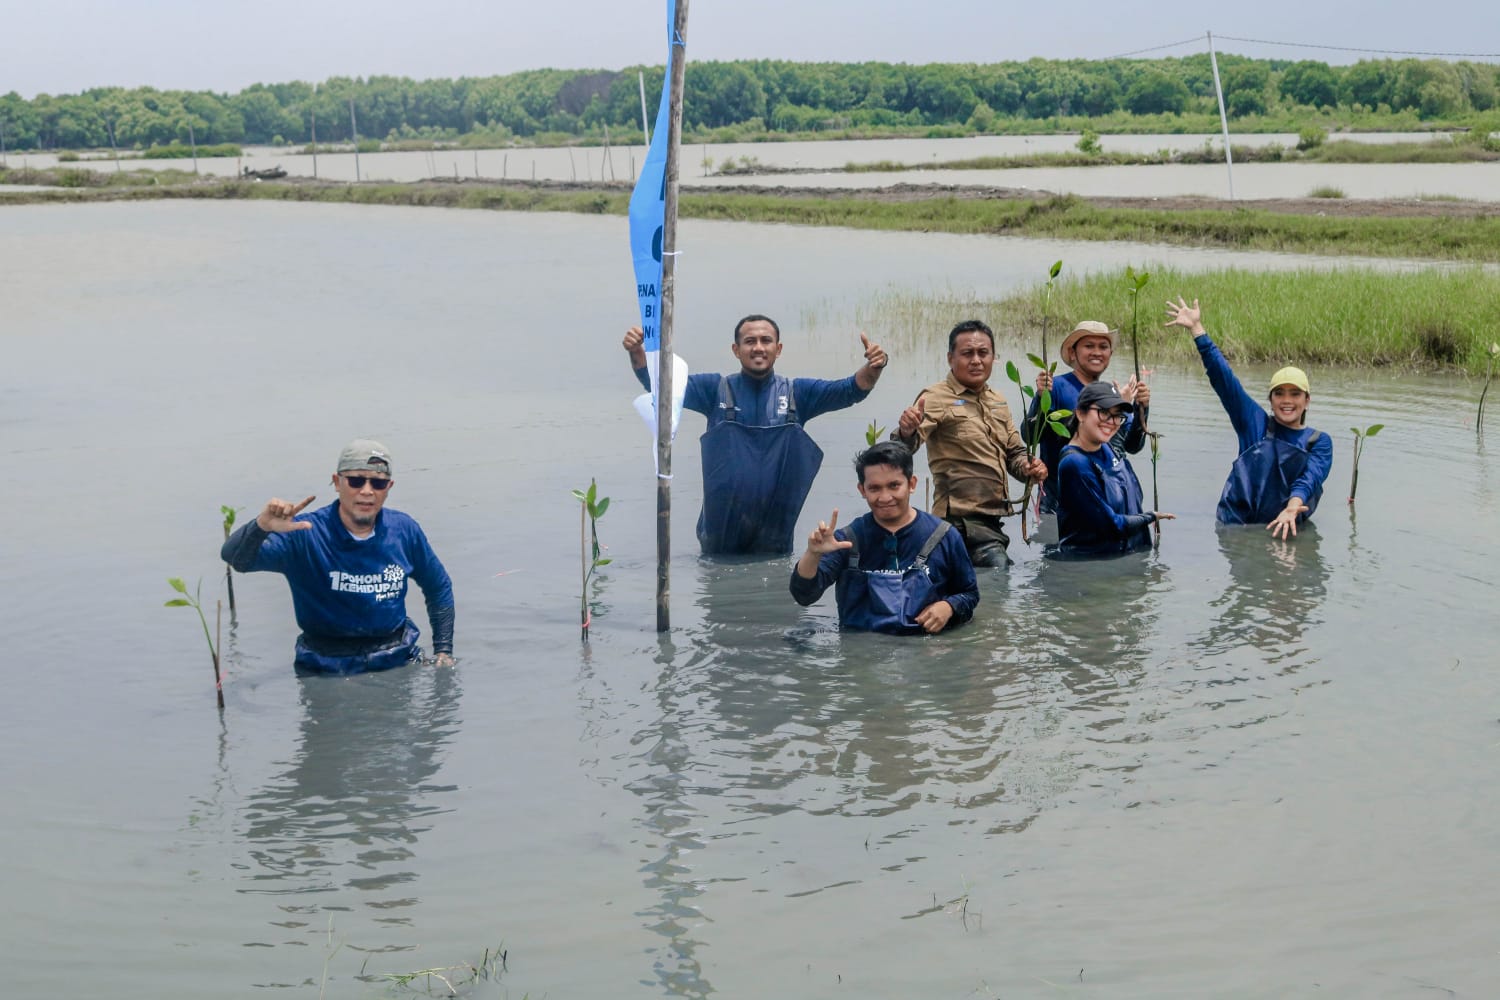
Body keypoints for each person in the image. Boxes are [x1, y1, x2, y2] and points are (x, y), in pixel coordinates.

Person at [623, 314, 888, 555]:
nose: (758, 347)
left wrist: (874, 367)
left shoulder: (799, 394)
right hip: (719, 540)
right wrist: (638, 353)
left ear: (778, 349)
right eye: (750, 341)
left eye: (766, 340)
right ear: (736, 350)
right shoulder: (713, 390)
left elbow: (849, 390)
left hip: (775, 540)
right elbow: (661, 386)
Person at [222, 439, 455, 674]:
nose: (366, 491)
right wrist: (261, 526)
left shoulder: (404, 530)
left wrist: (443, 651)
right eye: (355, 481)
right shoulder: (303, 532)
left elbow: (439, 587)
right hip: (327, 666)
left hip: (397, 657)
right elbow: (237, 560)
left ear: (389, 487)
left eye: (378, 483)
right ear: (337, 482)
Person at [1165, 296, 1333, 539]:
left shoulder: (1319, 441)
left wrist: (1292, 507)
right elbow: (1225, 381)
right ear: (1271, 400)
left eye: (1295, 394)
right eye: (1279, 393)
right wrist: (1197, 330)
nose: (1287, 400)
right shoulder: (1254, 423)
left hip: (1287, 526)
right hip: (1236, 529)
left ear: (1307, 400)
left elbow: (1311, 478)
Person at [894, 319, 1046, 567]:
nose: (976, 360)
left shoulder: (998, 400)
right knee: (999, 574)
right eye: (967, 353)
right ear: (950, 358)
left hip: (992, 521)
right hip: (956, 522)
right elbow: (902, 451)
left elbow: (1014, 454)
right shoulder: (935, 397)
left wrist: (1030, 468)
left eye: (983, 353)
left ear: (993, 358)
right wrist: (906, 430)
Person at [790, 441, 978, 635]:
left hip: (923, 654)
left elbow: (970, 594)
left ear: (911, 484)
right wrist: (812, 554)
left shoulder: (945, 536)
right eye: (875, 488)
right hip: (862, 653)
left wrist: (948, 607)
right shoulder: (846, 540)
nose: (885, 497)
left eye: (894, 485)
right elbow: (804, 596)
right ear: (862, 490)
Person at [1026, 320, 1152, 515]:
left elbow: (1131, 447)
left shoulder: (1111, 395)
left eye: (1103, 347)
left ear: (1110, 354)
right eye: (1089, 346)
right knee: (1046, 544)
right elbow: (1029, 437)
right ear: (1072, 353)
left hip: (1095, 505)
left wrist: (1141, 408)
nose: (1097, 352)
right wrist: (1040, 397)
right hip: (1052, 504)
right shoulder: (1055, 386)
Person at [1046, 381, 1175, 559]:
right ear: (1080, 413)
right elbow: (1111, 525)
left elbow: (1132, 441)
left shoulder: (1106, 446)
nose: (1111, 422)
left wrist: (1141, 408)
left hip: (1127, 559)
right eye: (1103, 412)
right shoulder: (1074, 464)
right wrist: (1150, 517)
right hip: (1090, 568)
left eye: (1117, 416)